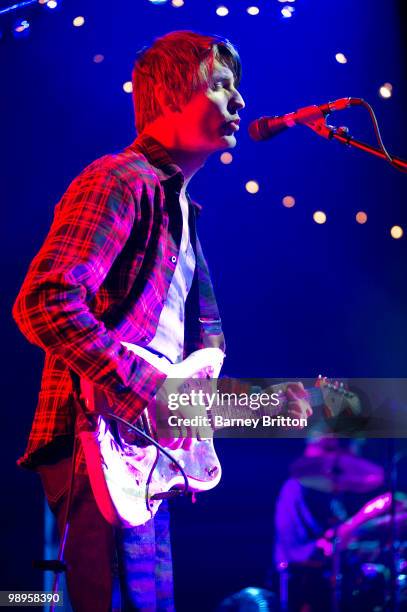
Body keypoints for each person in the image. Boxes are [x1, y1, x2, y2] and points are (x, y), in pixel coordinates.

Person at [13, 30, 311, 611]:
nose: (240, 101)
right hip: (92, 448)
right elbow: (44, 300)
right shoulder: (120, 180)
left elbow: (175, 375)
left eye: (237, 87)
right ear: (172, 94)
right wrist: (147, 388)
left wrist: (270, 403)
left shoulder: (183, 212)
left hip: (140, 457)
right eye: (221, 85)